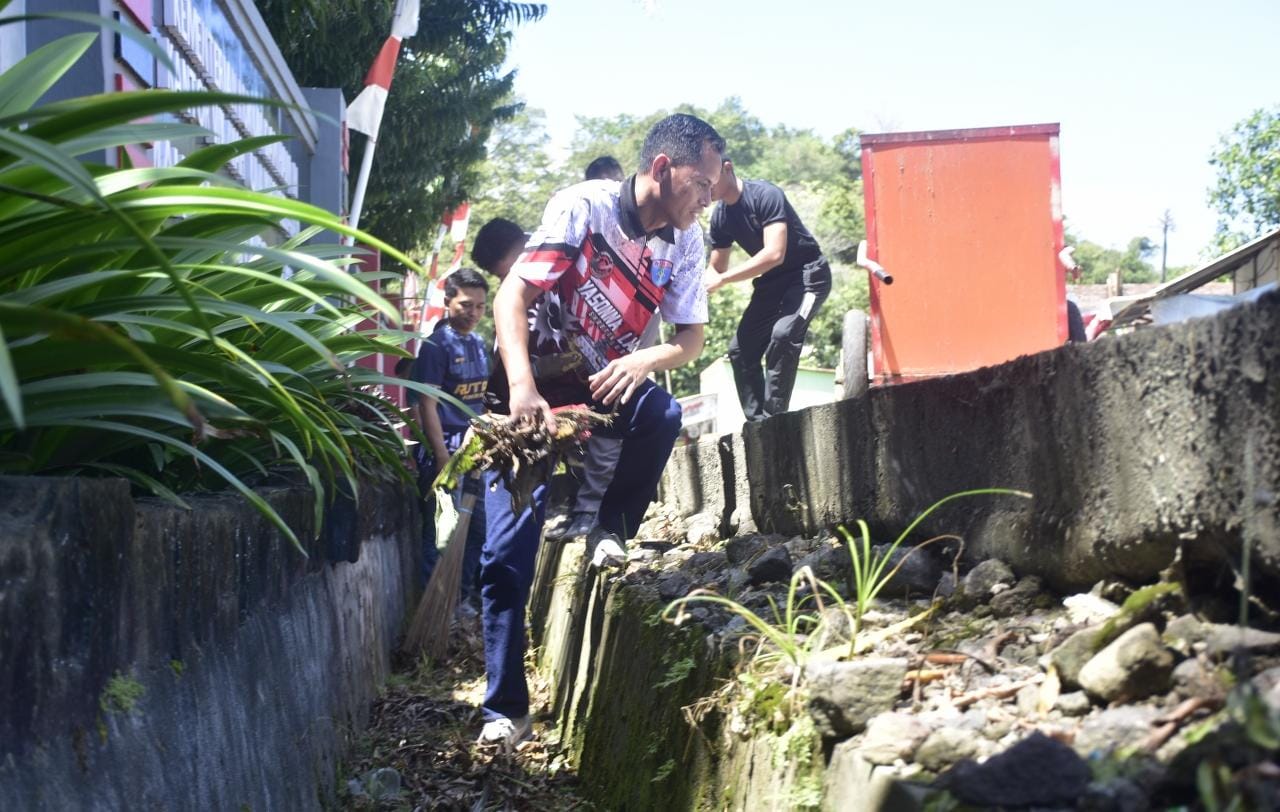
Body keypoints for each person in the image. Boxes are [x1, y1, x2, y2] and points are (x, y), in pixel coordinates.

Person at [477, 114, 724, 747]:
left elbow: (690, 339)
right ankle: (505, 710)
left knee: (661, 415)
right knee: (506, 557)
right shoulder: (581, 210)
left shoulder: (686, 242)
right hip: (530, 391)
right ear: (664, 169)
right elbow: (511, 297)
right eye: (701, 182)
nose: (707, 198)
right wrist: (523, 389)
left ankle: (608, 531)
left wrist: (646, 358)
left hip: (601, 385)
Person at [554, 154, 655, 541]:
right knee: (578, 435)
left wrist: (640, 360)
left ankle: (596, 516)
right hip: (579, 352)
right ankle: (582, 510)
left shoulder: (650, 232)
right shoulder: (585, 218)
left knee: (611, 432)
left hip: (625, 355)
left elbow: (653, 312)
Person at [705, 159, 832, 422]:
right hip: (772, 284)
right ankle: (758, 425)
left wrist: (724, 279)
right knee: (740, 351)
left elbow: (775, 253)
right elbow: (715, 270)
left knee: (783, 335)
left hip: (808, 276)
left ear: (727, 167)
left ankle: (775, 421)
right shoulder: (720, 216)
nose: (707, 187)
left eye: (711, 178)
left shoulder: (765, 194)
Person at [413, 267, 491, 606]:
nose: (473, 313)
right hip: (442, 457)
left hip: (475, 454)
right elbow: (425, 405)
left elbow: (481, 400)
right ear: (447, 302)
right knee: (439, 536)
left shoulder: (478, 343)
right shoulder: (435, 346)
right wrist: (442, 458)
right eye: (465, 305)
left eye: (479, 306)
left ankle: (456, 604)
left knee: (478, 532)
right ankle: (431, 609)